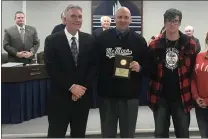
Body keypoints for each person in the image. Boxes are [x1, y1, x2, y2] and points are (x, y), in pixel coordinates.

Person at [94, 7, 149, 138]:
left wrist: (140, 67)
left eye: (126, 17)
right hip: (107, 96)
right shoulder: (102, 39)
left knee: (128, 135)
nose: (123, 20)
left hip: (130, 97)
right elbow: (94, 64)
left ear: (130, 19)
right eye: (120, 17)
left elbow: (149, 66)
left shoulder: (139, 40)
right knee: (107, 134)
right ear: (114, 18)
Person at [44, 4, 96, 138]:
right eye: (73, 16)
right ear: (64, 20)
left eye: (80, 16)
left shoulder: (89, 39)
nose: (77, 19)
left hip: (82, 98)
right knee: (56, 133)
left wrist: (81, 88)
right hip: (60, 98)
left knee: (79, 134)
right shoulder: (52, 40)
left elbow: (93, 67)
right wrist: (72, 87)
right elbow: (51, 68)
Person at [148, 8, 197, 138]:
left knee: (182, 134)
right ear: (164, 23)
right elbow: (149, 69)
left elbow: (193, 70)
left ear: (179, 23)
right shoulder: (154, 44)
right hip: (160, 97)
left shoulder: (190, 44)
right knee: (160, 134)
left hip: (181, 96)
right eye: (169, 21)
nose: (172, 24)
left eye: (175, 21)